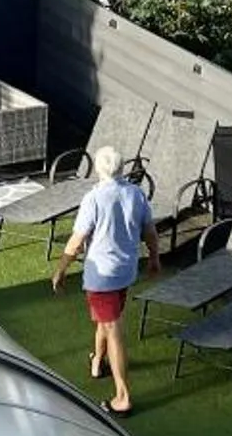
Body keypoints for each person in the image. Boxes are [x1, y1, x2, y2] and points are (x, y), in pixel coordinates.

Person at [54, 143, 158, 415]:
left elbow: (76, 241)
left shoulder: (94, 198)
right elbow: (149, 231)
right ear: (121, 168)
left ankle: (122, 397)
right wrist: (155, 258)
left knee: (113, 329)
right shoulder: (136, 194)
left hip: (102, 278)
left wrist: (61, 269)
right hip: (125, 272)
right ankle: (98, 361)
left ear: (98, 169)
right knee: (106, 321)